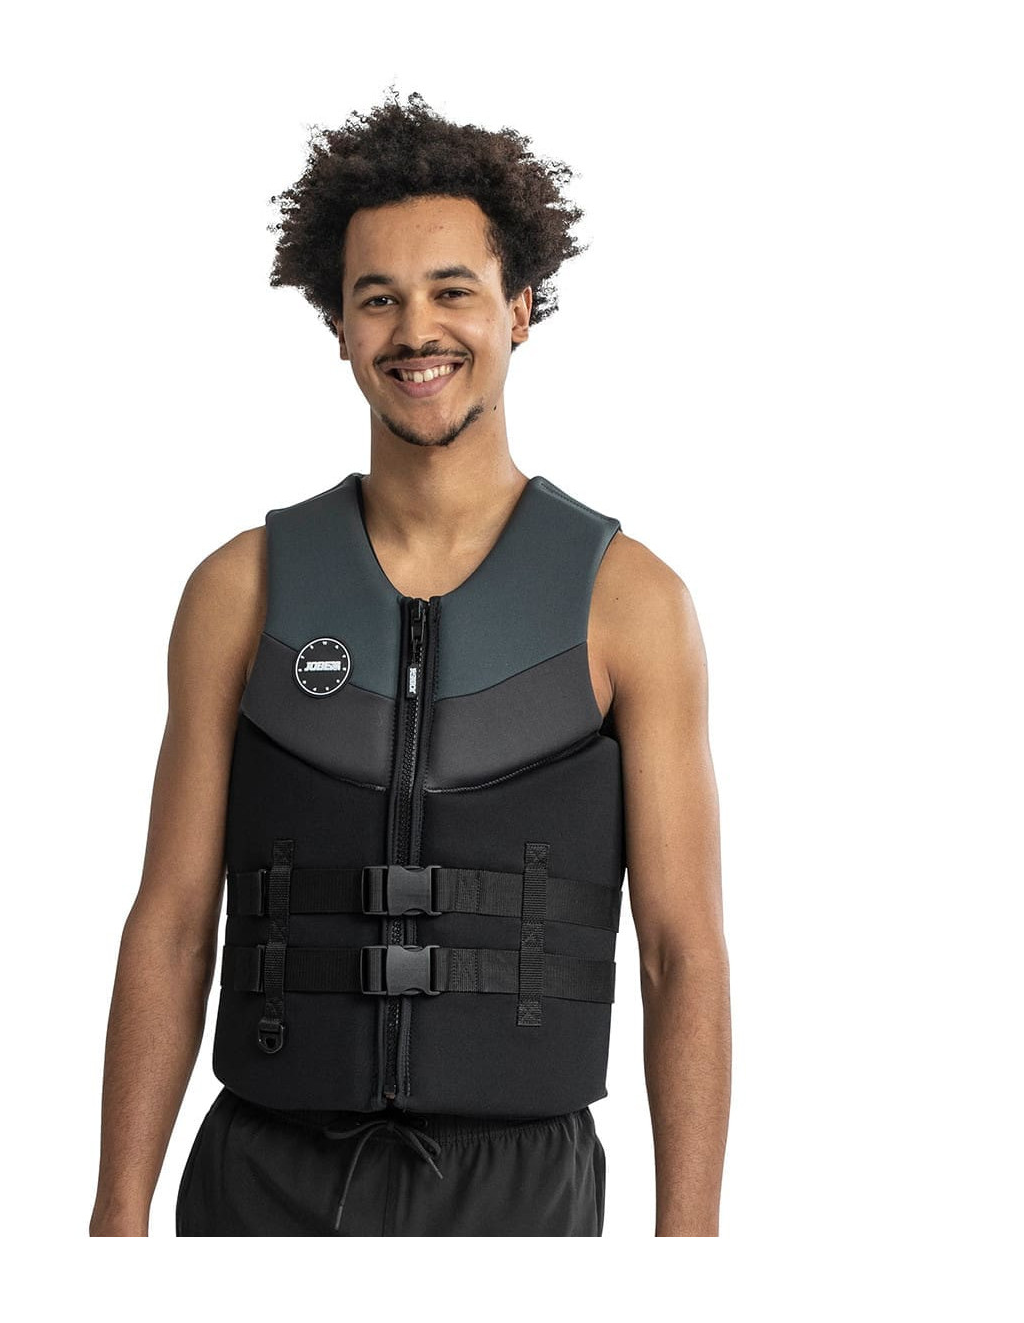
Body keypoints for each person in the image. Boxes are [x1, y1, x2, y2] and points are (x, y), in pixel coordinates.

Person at [88, 87, 730, 1237]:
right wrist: (115, 1221)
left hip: (521, 1192)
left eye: (453, 291)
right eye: (377, 297)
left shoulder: (631, 603)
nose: (415, 330)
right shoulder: (240, 589)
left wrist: (690, 1255)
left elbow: (682, 953)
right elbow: (174, 921)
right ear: (339, 326)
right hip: (262, 1182)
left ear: (519, 309)